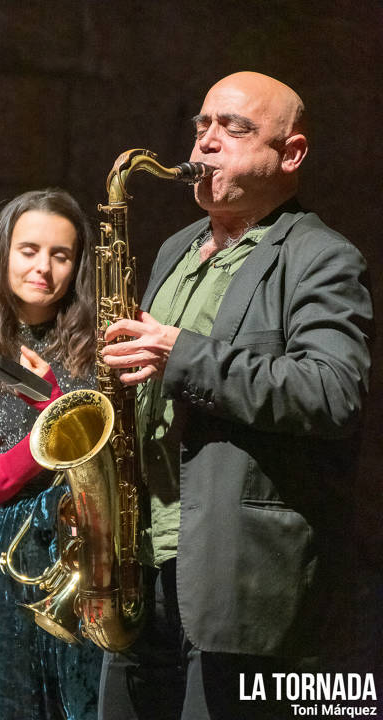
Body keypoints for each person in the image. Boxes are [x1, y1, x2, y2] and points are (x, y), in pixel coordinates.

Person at [98, 72, 375, 719]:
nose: (207, 141)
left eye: (234, 127)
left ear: (291, 153)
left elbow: (332, 394)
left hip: (237, 581)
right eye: (202, 125)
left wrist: (182, 352)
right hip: (139, 568)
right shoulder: (174, 250)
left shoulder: (320, 257)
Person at [0, 189, 102, 720]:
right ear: (3, 256)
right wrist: (41, 445)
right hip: (5, 577)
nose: (43, 267)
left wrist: (51, 405)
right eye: (28, 250)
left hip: (91, 563)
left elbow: (106, 459)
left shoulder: (99, 349)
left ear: (77, 266)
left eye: (61, 255)